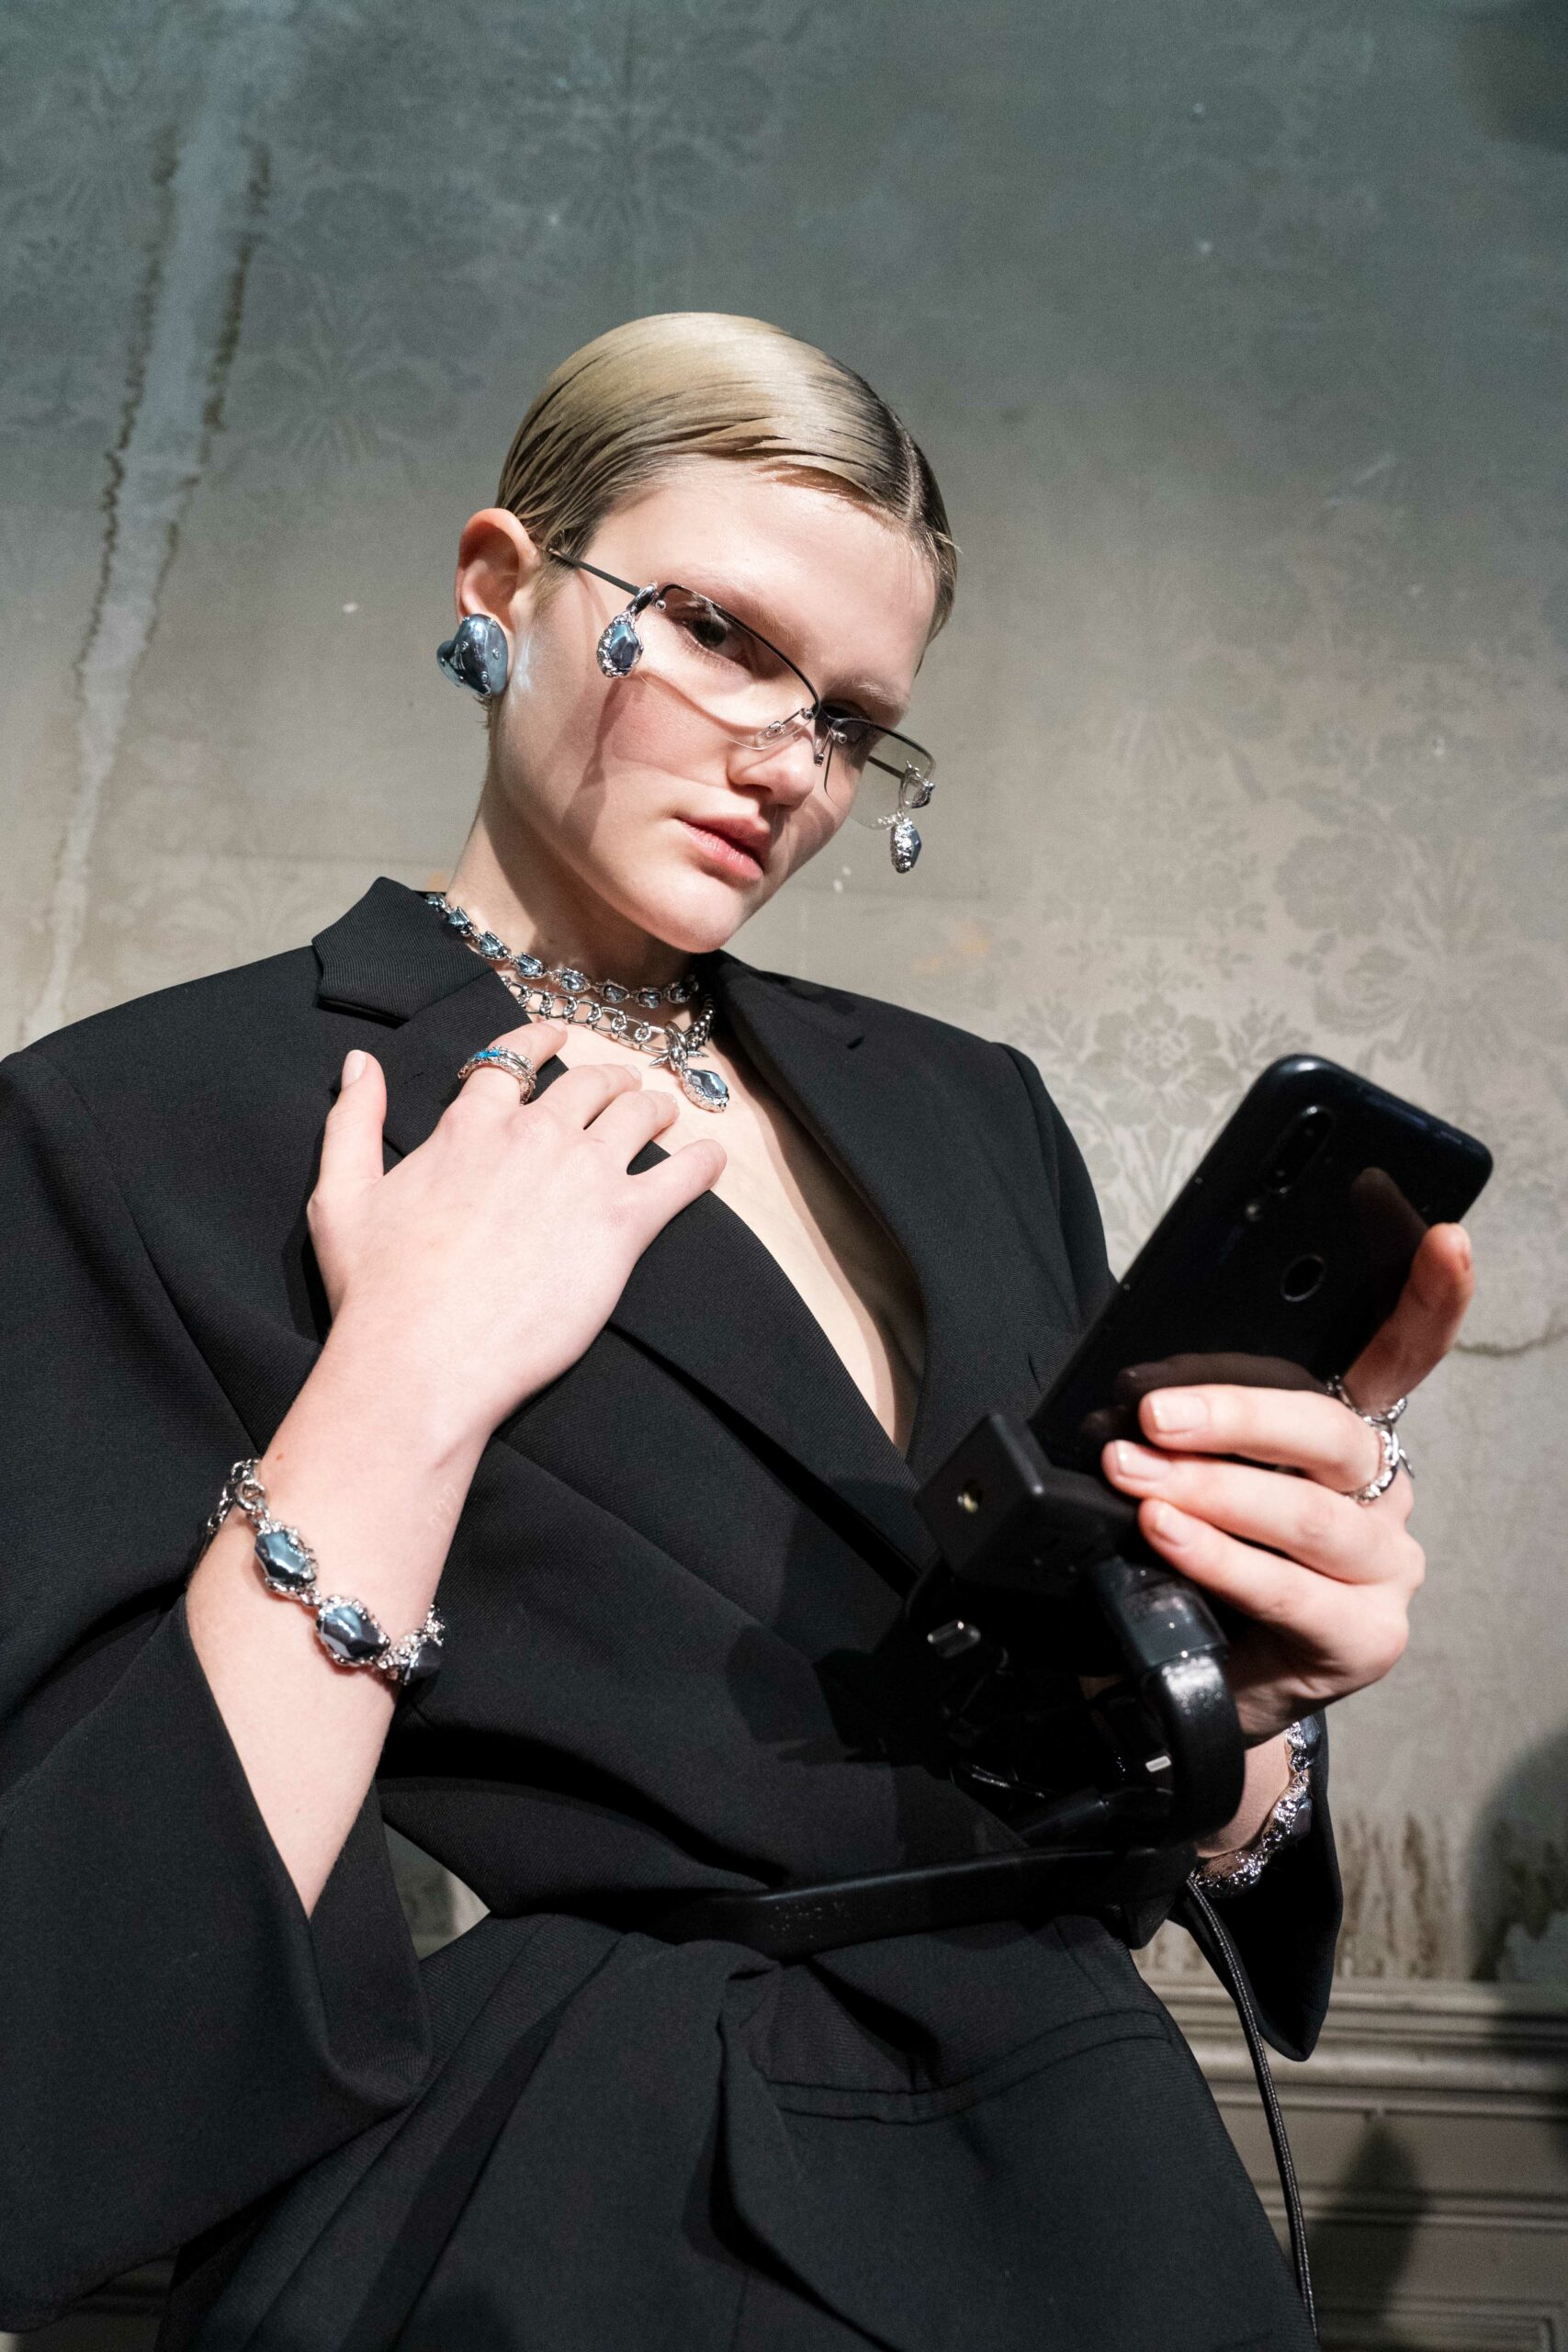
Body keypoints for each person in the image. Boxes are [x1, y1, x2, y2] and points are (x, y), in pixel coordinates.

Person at [0, 313, 1471, 2352]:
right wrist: (404, 1383)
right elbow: (81, 1997)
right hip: (590, 2211)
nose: (788, 760)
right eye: (717, 634)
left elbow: (1068, 1773)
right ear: (500, 584)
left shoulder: (970, 1113)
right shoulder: (150, 1121)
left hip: (1083, 2185)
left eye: (851, 718)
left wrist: (1255, 1716)